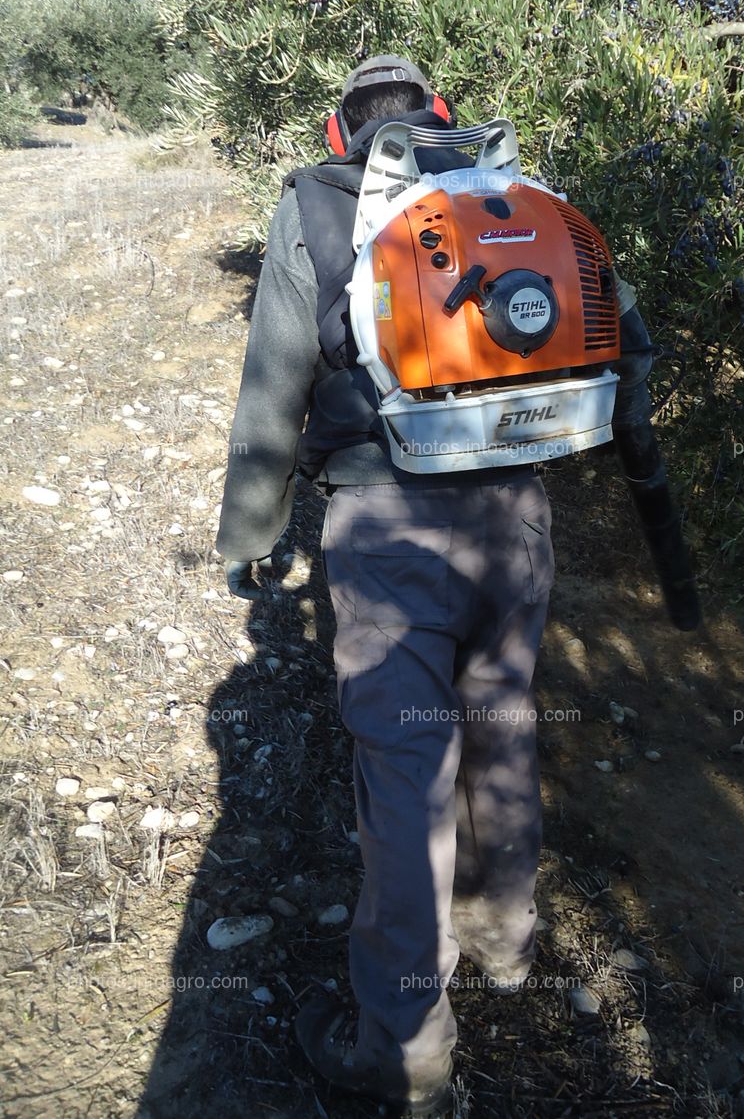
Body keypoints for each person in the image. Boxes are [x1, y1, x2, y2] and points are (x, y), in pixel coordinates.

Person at [215, 55, 657, 1116]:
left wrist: (254, 530)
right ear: (439, 116)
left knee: (407, 780)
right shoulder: (516, 191)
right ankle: (505, 939)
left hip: (388, 521)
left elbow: (275, 378)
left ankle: (406, 1053)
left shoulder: (316, 205)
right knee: (501, 716)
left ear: (339, 132)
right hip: (519, 513)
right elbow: (623, 337)